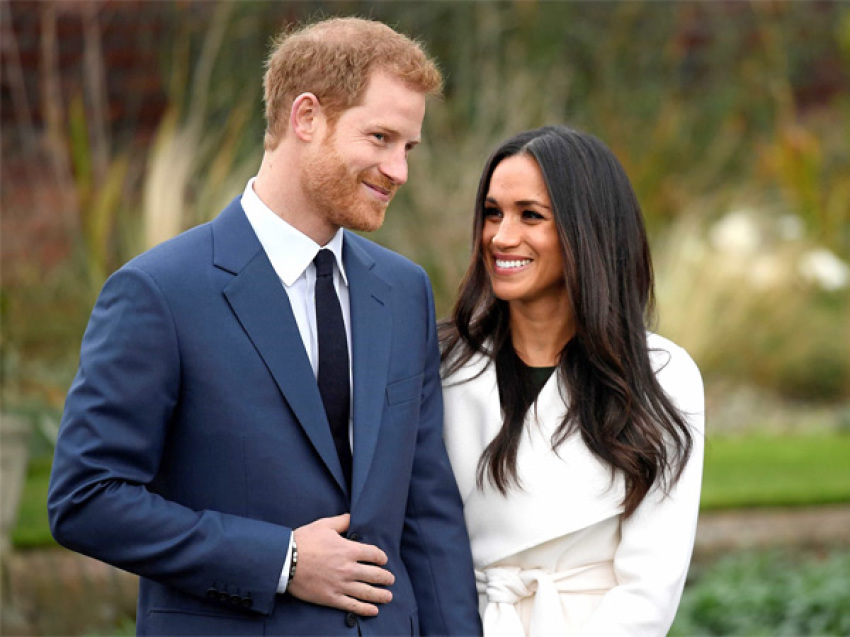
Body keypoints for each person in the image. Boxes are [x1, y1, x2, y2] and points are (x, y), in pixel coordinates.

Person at [48, 17, 481, 636]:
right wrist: (283, 560)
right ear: (307, 118)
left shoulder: (403, 289)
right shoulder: (159, 292)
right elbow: (86, 499)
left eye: (407, 148)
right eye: (381, 137)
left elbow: (427, 509)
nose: (399, 171)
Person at [440, 125, 705, 636]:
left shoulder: (662, 376)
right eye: (492, 213)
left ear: (588, 230)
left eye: (530, 215)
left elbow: (651, 587)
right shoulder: (440, 362)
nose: (501, 236)